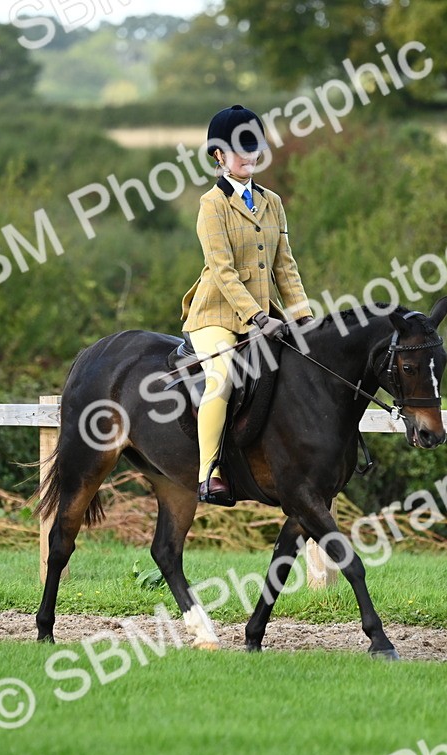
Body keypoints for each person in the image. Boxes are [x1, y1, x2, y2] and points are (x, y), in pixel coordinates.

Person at [180, 104, 316, 505]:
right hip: (216, 314)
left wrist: (303, 315)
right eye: (238, 149)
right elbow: (222, 271)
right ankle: (209, 474)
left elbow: (284, 266)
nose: (248, 156)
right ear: (219, 155)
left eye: (253, 147)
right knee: (220, 378)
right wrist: (255, 315)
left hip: (264, 315)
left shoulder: (272, 201)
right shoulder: (212, 205)